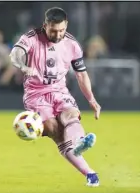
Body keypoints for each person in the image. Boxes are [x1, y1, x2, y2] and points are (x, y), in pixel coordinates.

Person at [9, 7, 101, 187]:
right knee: (55, 129)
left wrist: (92, 99)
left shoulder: (72, 45)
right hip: (36, 94)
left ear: (66, 25)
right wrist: (25, 67)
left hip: (59, 91)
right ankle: (89, 172)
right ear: (45, 26)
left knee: (71, 115)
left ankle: (80, 144)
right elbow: (15, 55)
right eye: (53, 31)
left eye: (62, 30)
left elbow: (81, 75)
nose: (58, 35)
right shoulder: (31, 38)